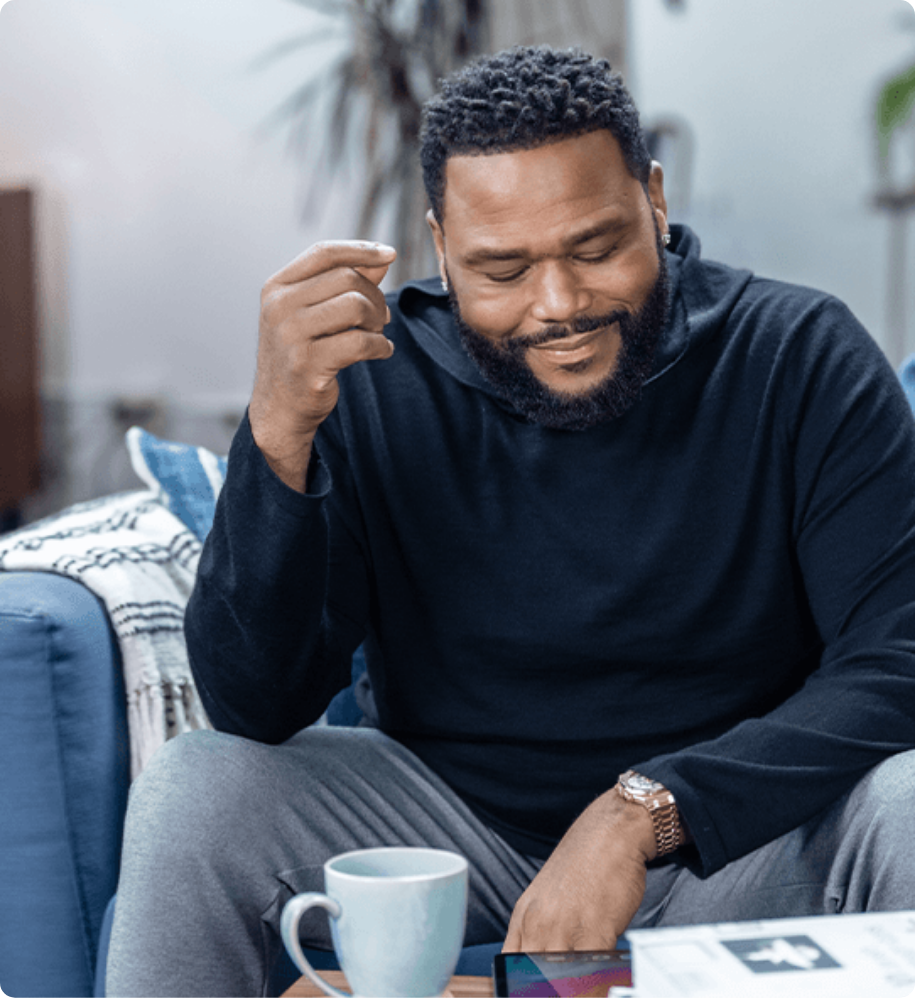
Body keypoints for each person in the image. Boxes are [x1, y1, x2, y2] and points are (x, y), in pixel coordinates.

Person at [107, 45, 915, 997]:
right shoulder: (371, 384)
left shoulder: (798, 355)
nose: (560, 304)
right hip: (444, 838)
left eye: (597, 247)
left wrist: (639, 814)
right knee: (198, 787)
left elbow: (893, 662)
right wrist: (277, 435)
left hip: (735, 846)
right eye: (502, 268)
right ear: (440, 244)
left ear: (653, 199)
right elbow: (257, 705)